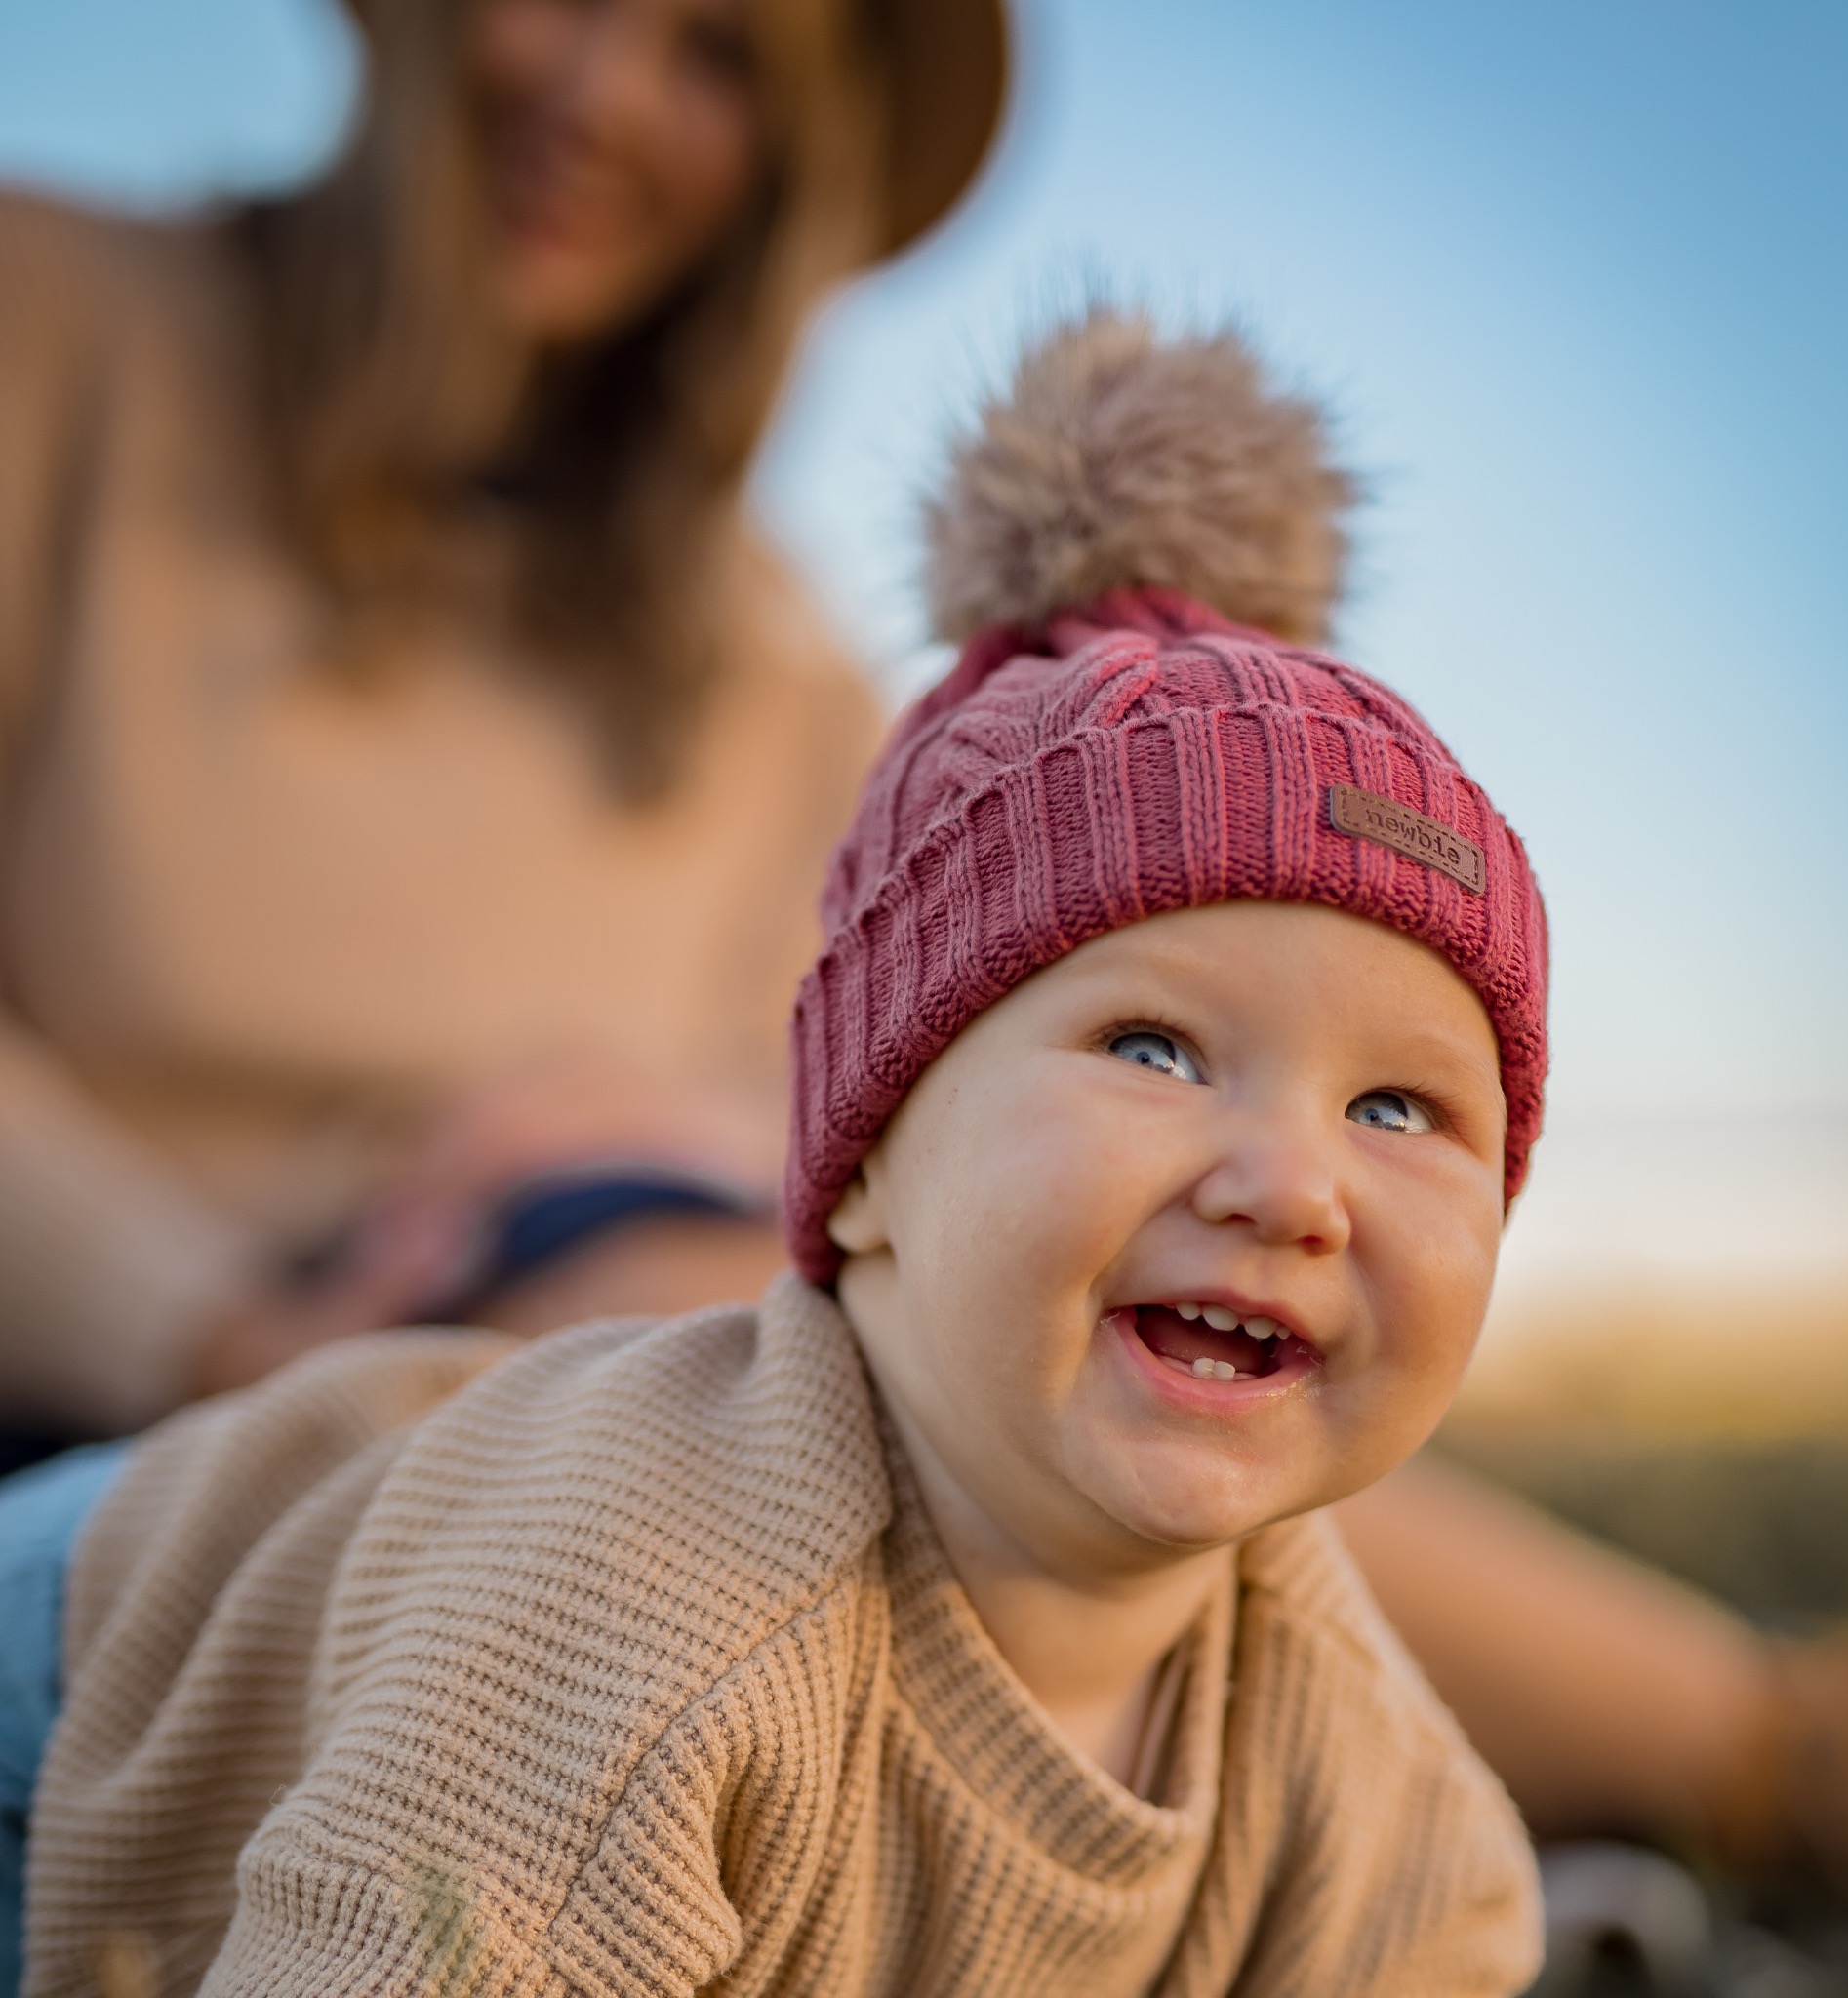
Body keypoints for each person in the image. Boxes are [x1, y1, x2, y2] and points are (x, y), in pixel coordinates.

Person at [21, 313, 1546, 1998]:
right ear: (870, 1152)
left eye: (1399, 1109)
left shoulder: (1341, 1748)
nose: (1292, 1184)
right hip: (64, 1730)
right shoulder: (646, 1611)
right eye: (1154, 1048)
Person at [0, 0, 1005, 1445]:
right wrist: (219, 1333)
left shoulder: (793, 683)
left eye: (717, 56)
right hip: (105, 1422)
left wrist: (689, 1132)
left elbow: (844, 1146)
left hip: (578, 1358)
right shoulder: (56, 321)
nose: (608, 99)